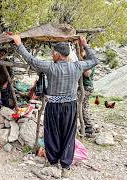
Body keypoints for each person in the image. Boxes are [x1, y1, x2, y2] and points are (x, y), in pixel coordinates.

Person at [10, 35, 99, 178]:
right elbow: (95, 60)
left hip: (54, 107)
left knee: (52, 134)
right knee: (68, 135)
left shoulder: (50, 67)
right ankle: (65, 166)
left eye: (53, 53)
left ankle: (52, 162)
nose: (52, 55)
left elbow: (31, 60)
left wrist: (19, 44)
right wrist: (85, 45)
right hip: (70, 106)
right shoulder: (77, 66)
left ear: (57, 54)